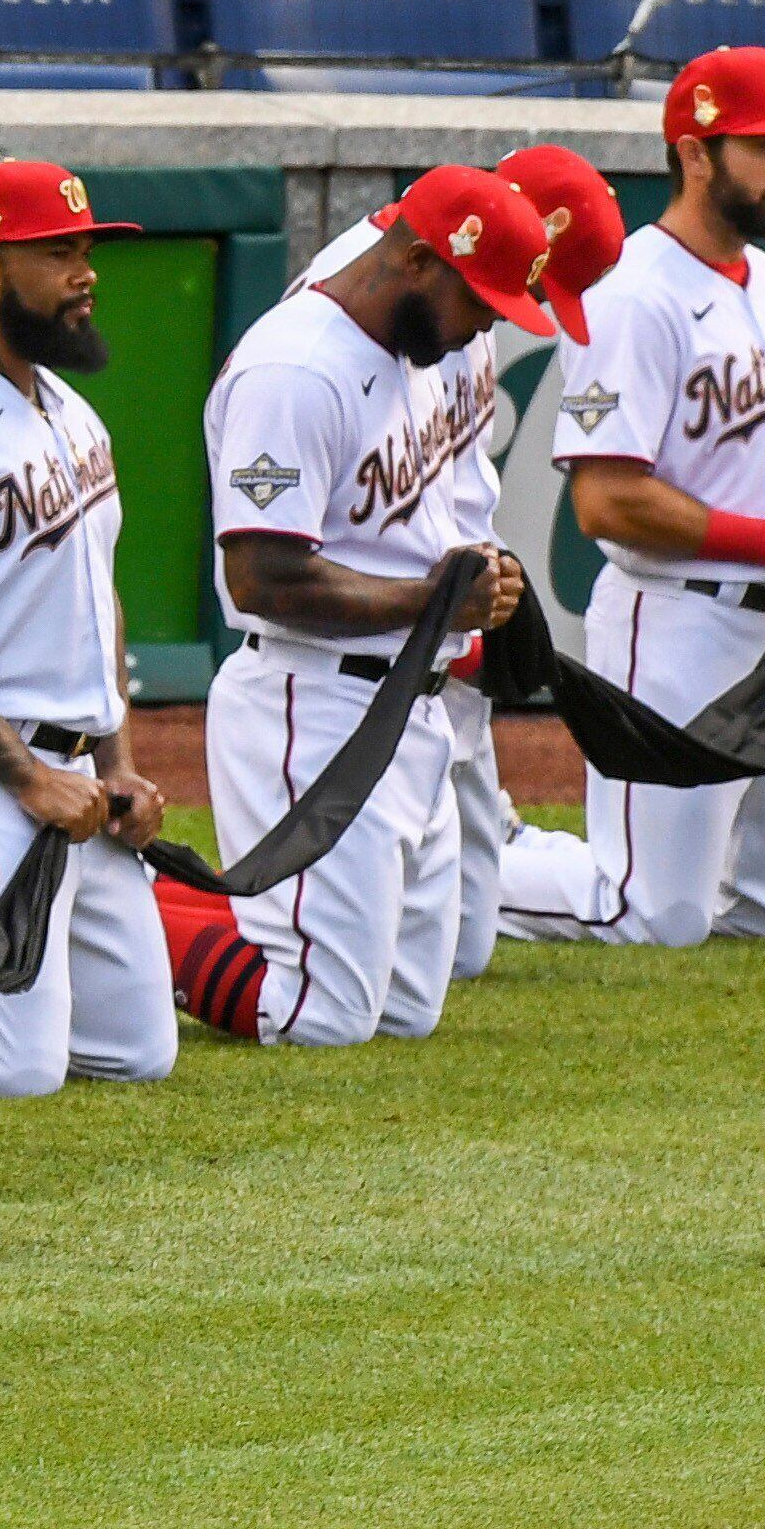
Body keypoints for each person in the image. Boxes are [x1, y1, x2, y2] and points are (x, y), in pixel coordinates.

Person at [500, 50, 765, 949]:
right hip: (676, 626)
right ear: (694, 152)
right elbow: (606, 504)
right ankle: (476, 863)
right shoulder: (630, 294)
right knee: (650, 914)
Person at [172, 169, 551, 1047]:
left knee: (407, 1010)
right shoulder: (295, 370)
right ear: (419, 260)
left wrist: (466, 590)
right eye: (481, 299)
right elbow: (260, 579)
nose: (489, 322)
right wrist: (435, 600)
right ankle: (117, 918)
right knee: (316, 1016)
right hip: (311, 698)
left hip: (407, 700)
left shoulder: (422, 345)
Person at [279, 148, 628, 981]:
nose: (523, 308)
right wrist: (434, 608)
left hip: (444, 630)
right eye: (530, 287)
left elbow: (451, 475)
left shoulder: (458, 309)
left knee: (460, 951)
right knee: (336, 965)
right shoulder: (358, 312)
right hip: (366, 650)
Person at [0, 162, 174, 1095]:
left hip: (79, 781)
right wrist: (23, 775)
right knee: (11, 1072)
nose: (84, 272)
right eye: (57, 251)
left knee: (139, 1050)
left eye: (86, 249)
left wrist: (117, 760)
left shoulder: (71, 409)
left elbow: (100, 596)